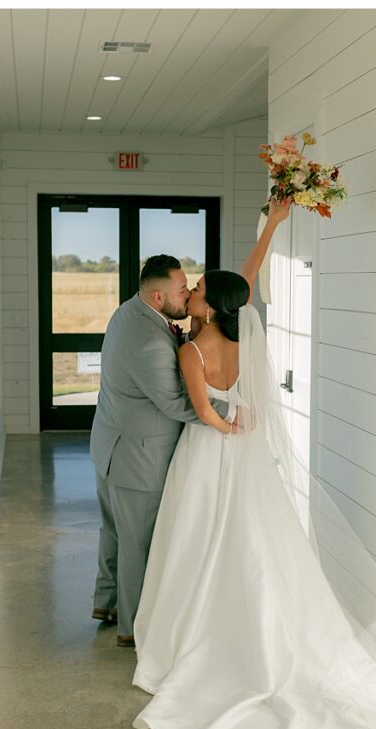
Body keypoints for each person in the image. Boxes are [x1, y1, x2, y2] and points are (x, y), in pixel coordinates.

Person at [130, 198, 376, 729]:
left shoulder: (190, 349)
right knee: (252, 535)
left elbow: (204, 411)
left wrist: (225, 425)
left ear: (208, 304)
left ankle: (181, 635)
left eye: (198, 289)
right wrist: (274, 225)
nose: (192, 292)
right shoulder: (244, 328)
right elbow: (245, 283)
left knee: (194, 536)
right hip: (248, 454)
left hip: (210, 452)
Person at [89, 255, 232, 646]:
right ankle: (132, 629)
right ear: (157, 296)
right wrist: (229, 410)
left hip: (111, 443)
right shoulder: (150, 343)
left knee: (116, 530)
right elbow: (177, 404)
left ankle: (106, 602)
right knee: (139, 543)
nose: (186, 295)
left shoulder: (128, 312)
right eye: (181, 290)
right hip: (139, 456)